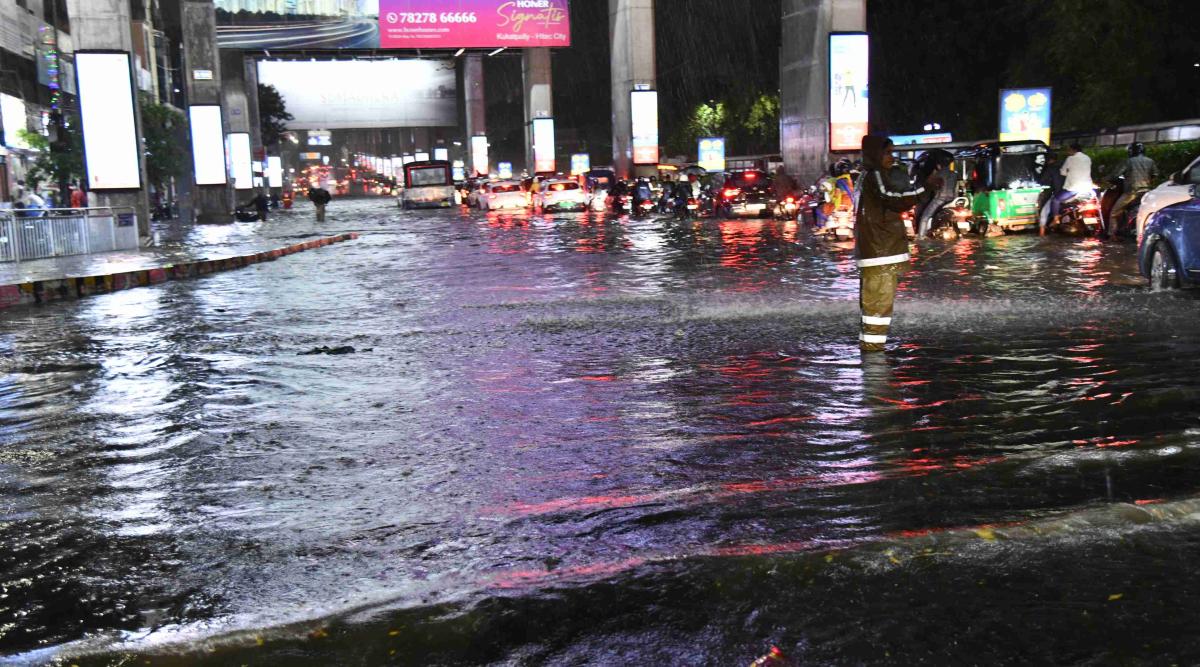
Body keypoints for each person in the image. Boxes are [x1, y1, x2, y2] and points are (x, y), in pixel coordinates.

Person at [855, 135, 931, 352]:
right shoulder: (875, 175)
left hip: (876, 252)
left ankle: (870, 349)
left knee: (873, 306)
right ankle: (874, 356)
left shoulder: (866, 176)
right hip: (881, 253)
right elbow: (893, 198)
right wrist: (924, 189)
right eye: (887, 152)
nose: (891, 157)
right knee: (878, 306)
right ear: (876, 154)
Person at [1106, 142, 1158, 240]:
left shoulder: (1128, 161)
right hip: (1146, 192)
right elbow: (1155, 174)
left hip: (1132, 192)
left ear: (1131, 151)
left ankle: (1112, 235)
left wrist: (1106, 179)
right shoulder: (1150, 161)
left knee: (1114, 212)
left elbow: (1115, 175)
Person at [1044, 142, 1094, 236]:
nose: (1068, 151)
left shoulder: (1070, 159)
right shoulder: (1087, 158)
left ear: (1073, 150)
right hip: (1088, 187)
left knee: (1055, 200)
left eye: (1069, 149)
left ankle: (1056, 219)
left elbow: (1063, 172)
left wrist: (1068, 173)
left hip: (1073, 188)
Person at [915, 153, 958, 237]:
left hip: (940, 197)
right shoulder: (954, 173)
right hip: (951, 198)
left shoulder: (939, 173)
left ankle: (921, 236)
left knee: (925, 217)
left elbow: (928, 183)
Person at [1036, 151, 1065, 229]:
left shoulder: (1050, 168)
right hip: (1068, 192)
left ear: (1049, 160)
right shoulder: (1063, 165)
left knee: (1044, 212)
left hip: (1057, 193)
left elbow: (1042, 181)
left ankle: (1042, 233)